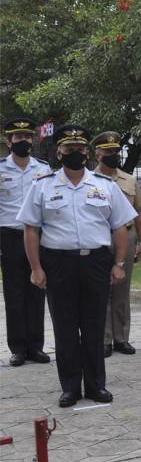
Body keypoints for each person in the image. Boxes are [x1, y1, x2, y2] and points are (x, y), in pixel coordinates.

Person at [17, 124, 137, 407]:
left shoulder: (104, 186)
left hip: (96, 262)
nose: (76, 153)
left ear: (87, 152)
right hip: (58, 263)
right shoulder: (42, 185)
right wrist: (36, 268)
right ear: (59, 151)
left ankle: (96, 386)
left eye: (80, 148)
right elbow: (31, 230)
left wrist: (119, 262)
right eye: (69, 149)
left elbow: (119, 226)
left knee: (95, 326)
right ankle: (70, 387)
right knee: (65, 327)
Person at [91, 131, 141, 357]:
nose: (113, 155)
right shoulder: (89, 180)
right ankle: (103, 339)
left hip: (128, 236)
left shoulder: (129, 179)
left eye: (116, 151)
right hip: (100, 239)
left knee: (122, 289)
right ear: (98, 154)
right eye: (108, 151)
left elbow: (139, 212)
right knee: (101, 290)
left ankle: (121, 337)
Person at [1, 118, 51, 367]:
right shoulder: (0, 169)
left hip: (38, 236)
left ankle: (36, 346)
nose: (24, 141)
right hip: (9, 235)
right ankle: (18, 348)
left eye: (27, 137)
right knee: (14, 292)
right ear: (8, 141)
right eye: (18, 138)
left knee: (37, 289)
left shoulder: (43, 168)